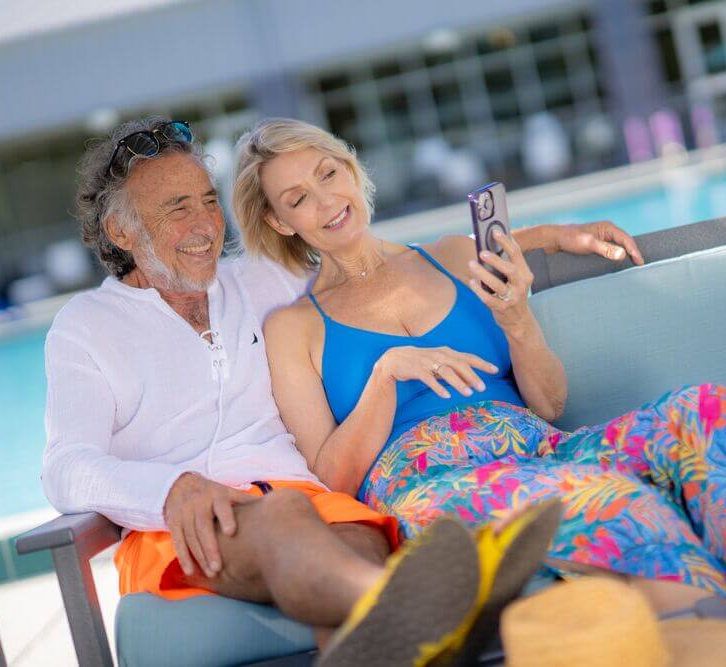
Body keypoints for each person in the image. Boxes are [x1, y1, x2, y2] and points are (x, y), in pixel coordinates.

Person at [233, 118, 726, 619]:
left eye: (327, 173)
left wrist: (518, 316)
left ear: (349, 166)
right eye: (297, 197)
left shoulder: (455, 256)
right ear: (277, 221)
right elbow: (333, 477)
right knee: (616, 501)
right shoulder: (295, 328)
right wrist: (385, 376)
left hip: (541, 449)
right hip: (433, 487)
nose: (325, 200)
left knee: (705, 409)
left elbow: (548, 404)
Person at [41, 117, 617, 665]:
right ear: (121, 230)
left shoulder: (259, 281)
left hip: (326, 509)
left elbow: (382, 268)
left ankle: (391, 613)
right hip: (189, 529)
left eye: (208, 202)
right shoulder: (87, 327)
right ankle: (412, 607)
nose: (204, 226)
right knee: (286, 515)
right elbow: (65, 467)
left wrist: (554, 236)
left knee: (349, 548)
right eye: (176, 209)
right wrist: (172, 490)